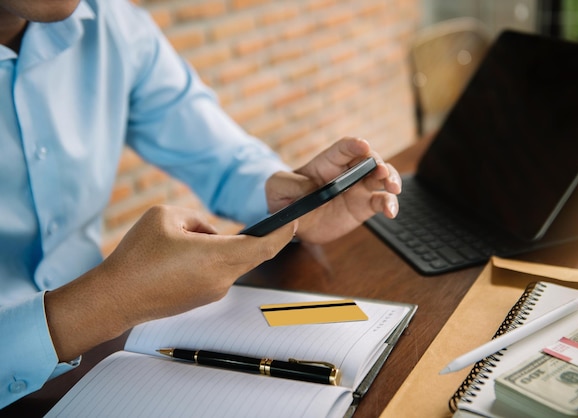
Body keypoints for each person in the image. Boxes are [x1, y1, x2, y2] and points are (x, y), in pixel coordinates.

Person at [0, 0, 402, 409]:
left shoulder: (111, 23)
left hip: (109, 354)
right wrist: (109, 301)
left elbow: (213, 148)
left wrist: (283, 197)